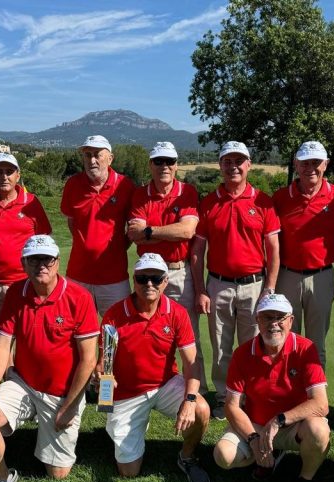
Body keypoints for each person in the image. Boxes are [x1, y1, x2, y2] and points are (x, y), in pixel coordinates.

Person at [0, 235, 98, 482]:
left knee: (57, 474)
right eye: (34, 259)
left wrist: (70, 407)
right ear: (23, 263)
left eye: (47, 259)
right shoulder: (16, 292)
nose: (41, 265)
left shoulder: (80, 297)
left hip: (62, 393)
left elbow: (88, 359)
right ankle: (2, 477)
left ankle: (46, 430)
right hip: (24, 383)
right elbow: (3, 344)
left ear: (57, 262)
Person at [100, 253, 211, 482]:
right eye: (142, 278)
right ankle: (135, 423)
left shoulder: (177, 313)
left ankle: (187, 457)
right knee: (128, 472)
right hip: (128, 392)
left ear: (165, 281)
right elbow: (105, 363)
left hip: (165, 384)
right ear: (134, 280)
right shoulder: (114, 314)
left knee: (201, 409)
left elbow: (191, 363)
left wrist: (190, 400)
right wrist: (104, 388)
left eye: (156, 278)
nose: (149, 283)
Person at [212, 294, 330, 482]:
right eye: (267, 317)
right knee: (223, 456)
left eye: (280, 317)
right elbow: (231, 406)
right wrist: (254, 439)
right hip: (255, 425)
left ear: (291, 321)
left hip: (293, 426)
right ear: (257, 320)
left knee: (319, 430)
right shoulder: (242, 353)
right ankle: (267, 457)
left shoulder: (306, 348)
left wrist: (279, 420)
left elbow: (321, 404)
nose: (273, 323)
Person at [192, 141, 281, 419]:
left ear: (248, 165)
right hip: (218, 284)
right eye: (227, 161)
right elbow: (197, 251)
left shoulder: (263, 201)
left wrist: (269, 288)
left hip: (254, 285)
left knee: (254, 345)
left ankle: (251, 397)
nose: (234, 167)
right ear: (220, 165)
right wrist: (200, 289)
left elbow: (273, 250)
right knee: (221, 346)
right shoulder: (209, 202)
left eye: (239, 161)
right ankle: (223, 397)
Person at [126, 141, 207, 388]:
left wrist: (150, 231)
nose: (164, 166)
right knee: (148, 331)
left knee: (189, 336)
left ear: (176, 165)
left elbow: (187, 231)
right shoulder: (140, 194)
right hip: (148, 277)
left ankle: (198, 389)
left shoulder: (187, 192)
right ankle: (150, 385)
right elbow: (134, 234)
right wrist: (168, 232)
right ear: (150, 165)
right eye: (159, 161)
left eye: (169, 161)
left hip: (179, 271)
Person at [273, 140, 334, 367]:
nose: (311, 168)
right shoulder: (280, 197)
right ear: (296, 164)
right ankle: (288, 387)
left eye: (316, 162)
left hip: (321, 276)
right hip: (287, 276)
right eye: (305, 163)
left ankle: (316, 389)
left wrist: (319, 259)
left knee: (316, 344)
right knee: (286, 340)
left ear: (325, 164)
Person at [61, 135, 135, 317]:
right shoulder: (73, 184)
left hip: (114, 278)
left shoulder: (125, 186)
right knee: (74, 329)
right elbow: (72, 222)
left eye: (97, 155)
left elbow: (132, 228)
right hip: (78, 275)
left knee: (117, 329)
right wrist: (87, 245)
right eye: (87, 155)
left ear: (110, 158)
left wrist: (116, 247)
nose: (92, 160)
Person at [0, 152, 52, 316]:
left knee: (26, 329)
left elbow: (46, 244)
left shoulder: (31, 202)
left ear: (17, 175)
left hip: (25, 283)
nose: (4, 177)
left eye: (9, 172)